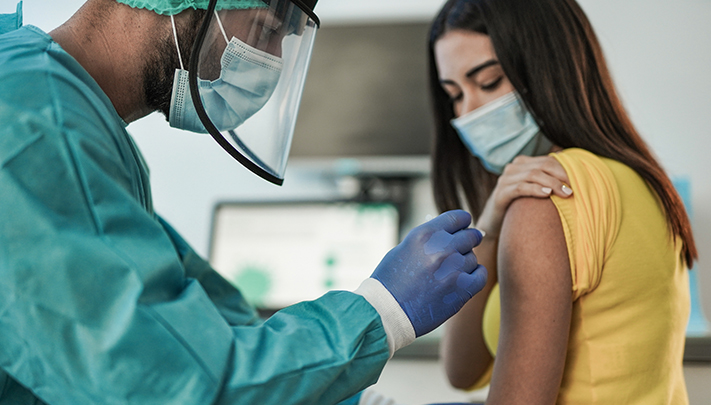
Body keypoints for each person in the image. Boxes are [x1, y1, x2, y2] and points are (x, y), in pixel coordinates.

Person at [0, 0, 490, 404]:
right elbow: (173, 383)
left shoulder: (68, 116)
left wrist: (358, 399)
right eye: (269, 28)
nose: (271, 58)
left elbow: (213, 322)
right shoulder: (36, 125)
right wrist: (383, 311)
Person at [427, 0, 698, 403]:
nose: (469, 112)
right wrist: (487, 227)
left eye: (489, 82)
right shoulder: (643, 180)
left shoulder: (548, 194)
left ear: (549, 66)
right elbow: (462, 370)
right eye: (454, 94)